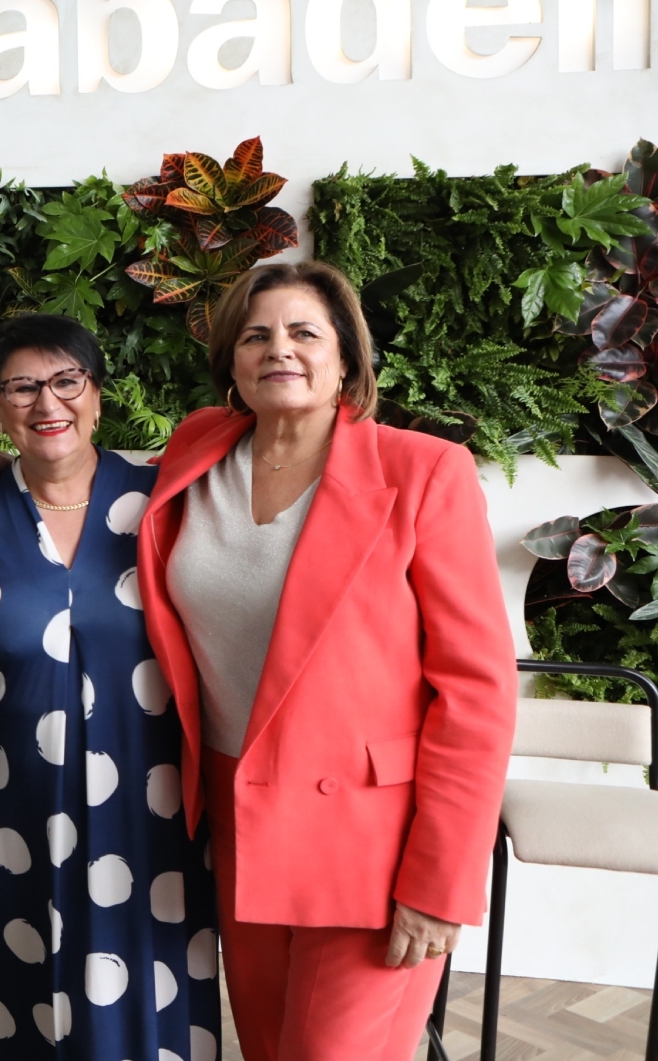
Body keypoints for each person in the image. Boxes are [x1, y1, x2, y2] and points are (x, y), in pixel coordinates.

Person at [138, 262, 513, 1061]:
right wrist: (8, 475)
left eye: (305, 332)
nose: (281, 350)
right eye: (257, 334)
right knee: (270, 1049)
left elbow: (477, 693)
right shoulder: (198, 446)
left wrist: (441, 882)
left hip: (371, 844)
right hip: (241, 820)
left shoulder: (422, 472)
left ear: (347, 358)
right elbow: (99, 479)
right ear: (233, 364)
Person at [0, 314, 220, 1059]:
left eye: (65, 381)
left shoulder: (163, 502)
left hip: (150, 804)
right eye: (21, 387)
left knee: (148, 981)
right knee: (21, 984)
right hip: (8, 804)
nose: (46, 403)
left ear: (96, 394)